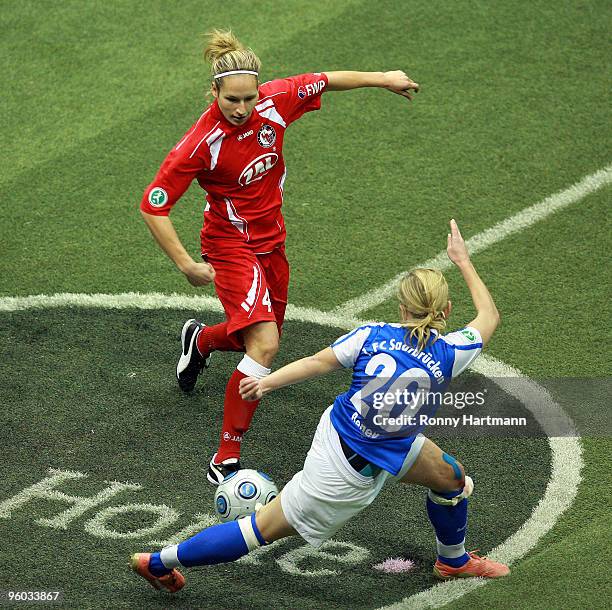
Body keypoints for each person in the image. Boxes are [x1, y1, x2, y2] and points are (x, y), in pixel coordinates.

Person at [130, 220, 509, 593]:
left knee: (451, 478)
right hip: (343, 471)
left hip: (359, 435)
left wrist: (267, 381)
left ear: (402, 307)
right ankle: (160, 562)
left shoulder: (371, 335)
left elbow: (317, 362)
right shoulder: (451, 352)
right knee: (260, 529)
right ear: (446, 309)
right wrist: (462, 260)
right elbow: (489, 315)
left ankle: (453, 561)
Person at [139, 29, 420, 485]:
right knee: (265, 346)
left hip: (272, 242)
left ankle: (204, 341)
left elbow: (326, 79)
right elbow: (153, 206)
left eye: (249, 98)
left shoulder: (277, 100)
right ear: (213, 91)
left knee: (256, 340)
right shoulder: (199, 142)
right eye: (232, 99)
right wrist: (187, 265)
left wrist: (383, 77)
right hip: (229, 245)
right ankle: (225, 456)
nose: (242, 108)